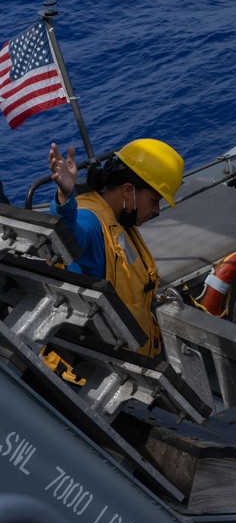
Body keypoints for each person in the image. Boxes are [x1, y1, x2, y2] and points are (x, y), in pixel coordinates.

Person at [48, 139, 184, 358]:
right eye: (154, 200)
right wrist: (65, 199)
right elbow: (69, 236)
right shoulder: (92, 220)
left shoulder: (116, 217)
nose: (158, 210)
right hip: (120, 359)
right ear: (128, 191)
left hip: (136, 348)